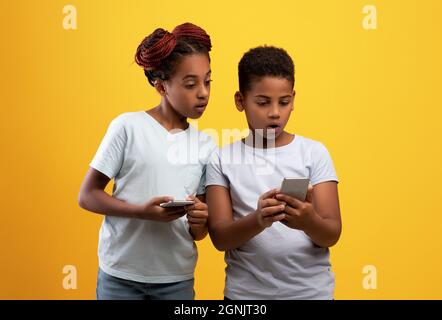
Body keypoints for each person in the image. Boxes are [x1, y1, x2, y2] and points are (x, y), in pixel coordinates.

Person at [78, 22, 215, 300]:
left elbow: (198, 232)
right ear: (161, 85)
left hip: (176, 279)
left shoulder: (207, 144)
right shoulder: (128, 127)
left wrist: (200, 219)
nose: (203, 92)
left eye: (208, 81)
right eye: (191, 84)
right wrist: (141, 211)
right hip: (120, 276)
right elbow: (87, 195)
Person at [206, 46, 341, 300]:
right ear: (240, 101)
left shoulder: (314, 153)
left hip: (310, 294)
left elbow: (332, 233)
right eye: (263, 102)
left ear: (294, 99)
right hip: (245, 297)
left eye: (284, 102)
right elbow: (220, 237)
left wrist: (307, 219)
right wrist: (258, 219)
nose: (275, 112)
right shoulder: (221, 159)